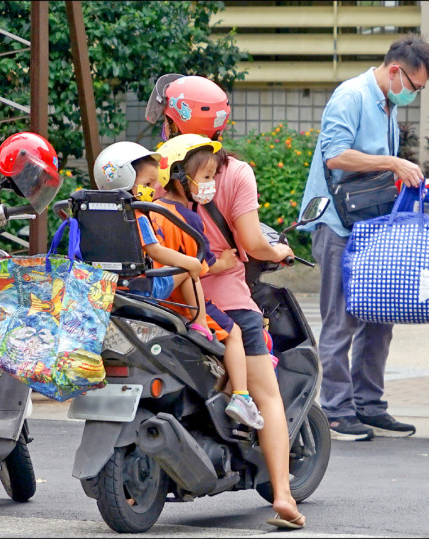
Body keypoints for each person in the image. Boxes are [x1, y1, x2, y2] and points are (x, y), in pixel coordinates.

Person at [146, 74, 304, 529]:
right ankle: (282, 494)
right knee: (268, 397)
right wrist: (279, 252)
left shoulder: (153, 173)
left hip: (166, 303)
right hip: (228, 304)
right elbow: (253, 244)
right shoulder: (234, 173)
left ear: (174, 121)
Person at [297, 33, 429, 441]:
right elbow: (335, 155)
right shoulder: (351, 96)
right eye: (415, 86)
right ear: (396, 71)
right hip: (338, 224)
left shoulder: (387, 102)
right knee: (340, 319)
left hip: (370, 225)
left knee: (380, 315)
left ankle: (370, 406)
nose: (414, 94)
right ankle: (337, 411)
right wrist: (393, 161)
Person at [151, 134, 264, 430]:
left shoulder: (153, 211)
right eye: (206, 176)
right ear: (179, 177)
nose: (210, 183)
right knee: (235, 333)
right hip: (187, 304)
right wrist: (224, 263)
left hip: (160, 302)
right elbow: (194, 265)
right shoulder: (190, 219)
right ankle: (241, 396)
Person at [92, 141, 211, 338]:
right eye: (147, 184)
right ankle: (200, 323)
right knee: (187, 270)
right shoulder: (136, 215)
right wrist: (190, 261)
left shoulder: (94, 216)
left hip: (106, 288)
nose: (153, 190)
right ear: (126, 181)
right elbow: (156, 251)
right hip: (140, 290)